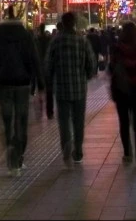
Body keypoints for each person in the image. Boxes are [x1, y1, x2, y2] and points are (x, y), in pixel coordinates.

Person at [0, 5, 44, 175]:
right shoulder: (26, 35)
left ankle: (11, 162)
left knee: (7, 123)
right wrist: (40, 84)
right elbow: (34, 59)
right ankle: (18, 159)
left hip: (3, 84)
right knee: (21, 121)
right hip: (22, 84)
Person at [45, 11, 96, 166]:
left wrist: (51, 80)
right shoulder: (82, 41)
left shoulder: (55, 42)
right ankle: (78, 152)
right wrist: (85, 76)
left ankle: (66, 147)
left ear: (62, 23)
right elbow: (91, 64)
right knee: (78, 121)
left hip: (61, 88)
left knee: (64, 121)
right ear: (74, 23)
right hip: (79, 88)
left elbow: (48, 64)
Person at [108, 22, 136, 164]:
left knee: (124, 121)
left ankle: (127, 153)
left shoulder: (117, 48)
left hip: (121, 89)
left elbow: (111, 67)